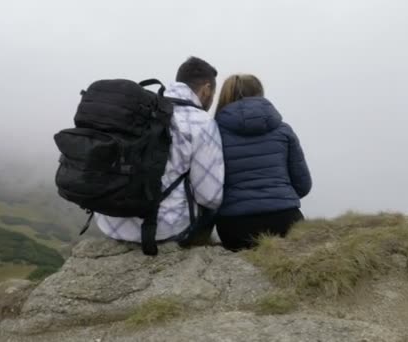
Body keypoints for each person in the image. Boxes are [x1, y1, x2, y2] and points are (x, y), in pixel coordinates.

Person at [95, 57, 225, 243]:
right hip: (163, 230)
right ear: (206, 89)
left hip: (111, 222)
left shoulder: (143, 109)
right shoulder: (202, 122)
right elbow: (209, 197)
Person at [214, 74, 312, 251]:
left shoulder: (213, 133)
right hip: (286, 221)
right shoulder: (284, 130)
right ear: (260, 94)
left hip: (235, 227)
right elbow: (303, 185)